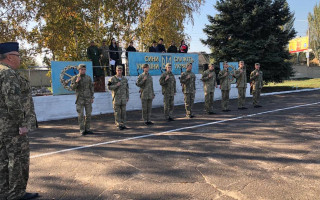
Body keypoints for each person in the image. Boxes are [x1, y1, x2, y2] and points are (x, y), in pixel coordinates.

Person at [0, 42, 39, 200]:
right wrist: (21, 124)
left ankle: (3, 192)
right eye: (18, 56)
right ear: (10, 57)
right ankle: (16, 194)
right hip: (12, 126)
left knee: (3, 160)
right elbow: (13, 102)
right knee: (18, 160)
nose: (20, 59)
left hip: (2, 126)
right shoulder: (8, 74)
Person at [70, 64, 94, 136]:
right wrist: (77, 81)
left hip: (87, 99)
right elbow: (72, 88)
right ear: (79, 70)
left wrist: (92, 97)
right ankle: (82, 130)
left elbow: (91, 88)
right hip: (80, 99)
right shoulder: (74, 78)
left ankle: (87, 129)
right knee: (80, 115)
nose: (83, 71)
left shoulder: (88, 78)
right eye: (81, 69)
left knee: (88, 114)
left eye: (84, 69)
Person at [107, 66, 129, 130]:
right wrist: (116, 85)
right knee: (117, 113)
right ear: (116, 71)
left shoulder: (124, 79)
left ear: (122, 71)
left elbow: (127, 89)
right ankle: (118, 124)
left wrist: (127, 97)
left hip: (123, 98)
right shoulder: (112, 79)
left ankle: (123, 124)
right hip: (116, 98)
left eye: (120, 70)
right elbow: (109, 87)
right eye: (118, 70)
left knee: (123, 112)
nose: (119, 72)